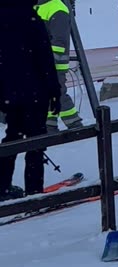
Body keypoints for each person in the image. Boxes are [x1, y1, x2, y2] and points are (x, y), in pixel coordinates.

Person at [0, 1, 61, 201]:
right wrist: (54, 91)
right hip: (35, 92)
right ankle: (34, 192)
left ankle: (2, 188)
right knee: (36, 139)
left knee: (12, 138)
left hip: (10, 93)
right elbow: (45, 58)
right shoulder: (31, 20)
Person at [36, 0, 84, 133]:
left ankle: (74, 124)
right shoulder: (37, 6)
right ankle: (49, 126)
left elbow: (59, 40)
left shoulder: (57, 7)